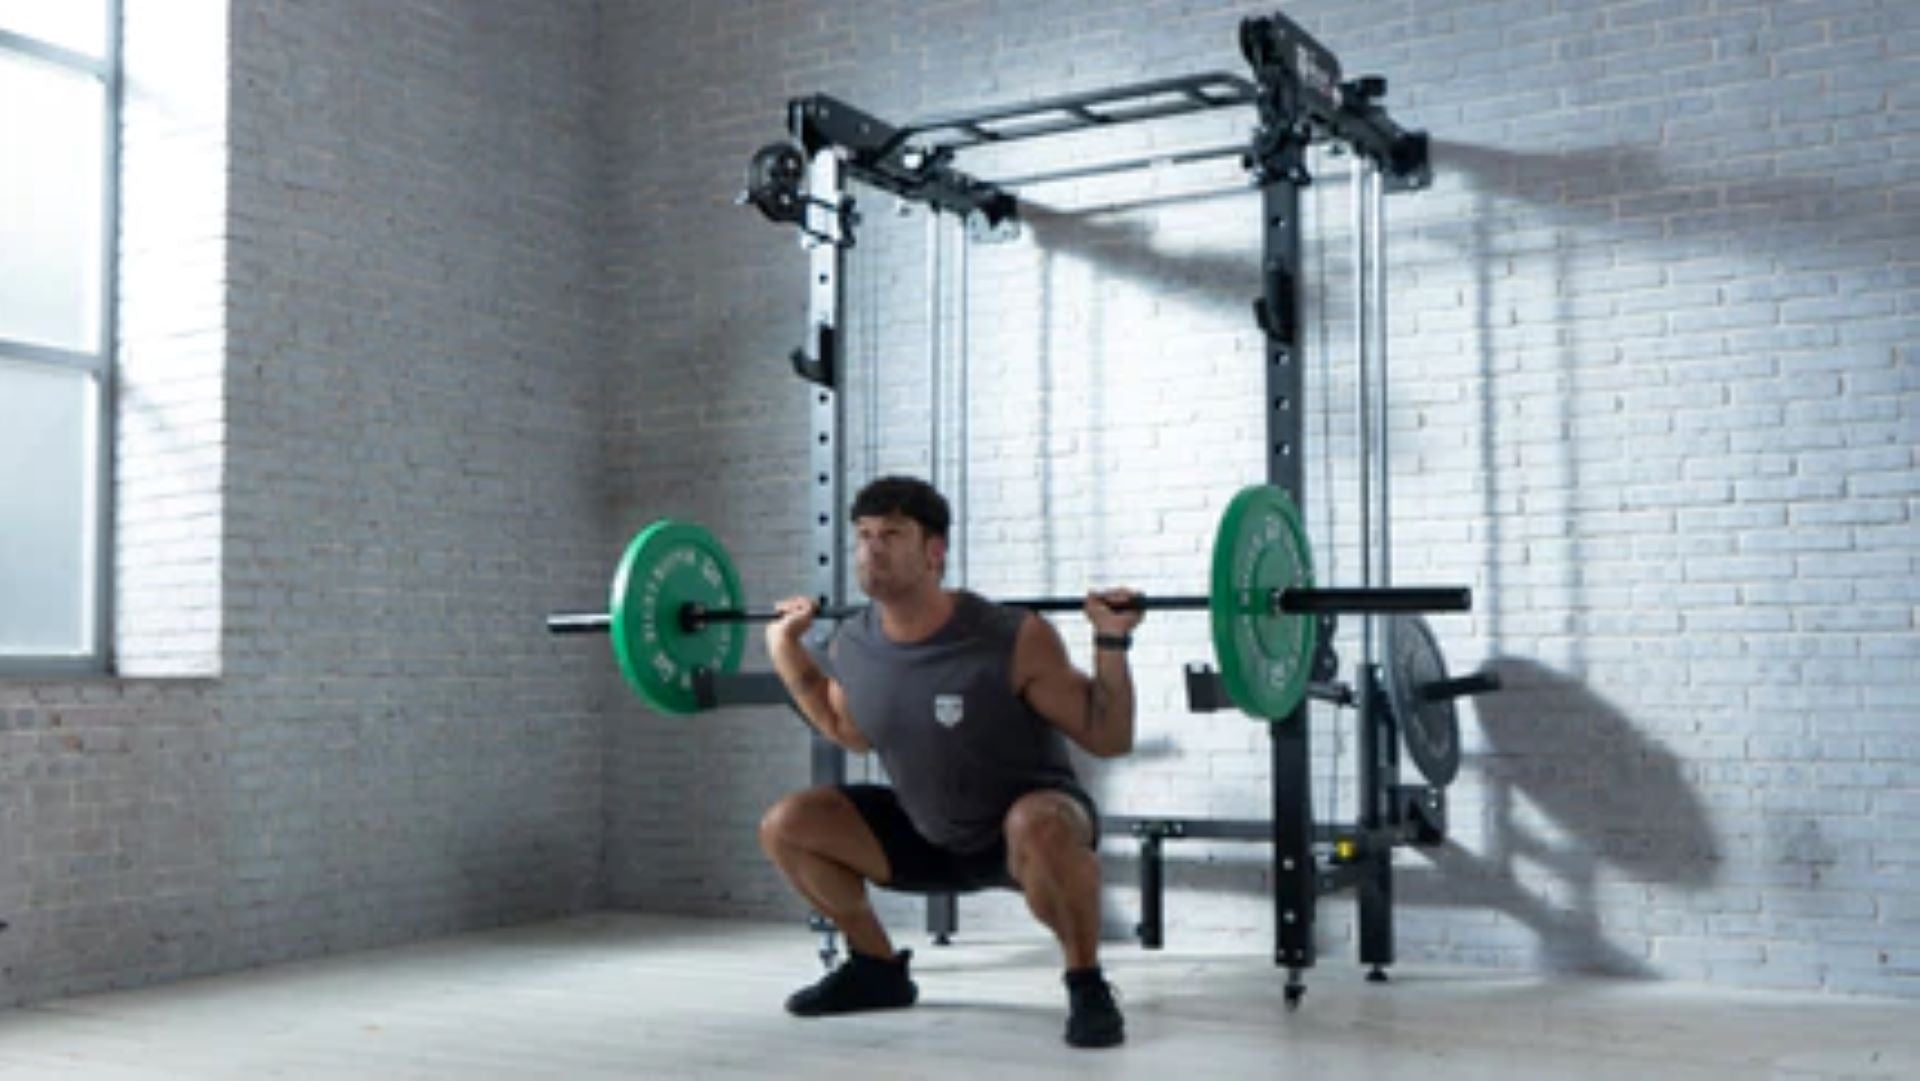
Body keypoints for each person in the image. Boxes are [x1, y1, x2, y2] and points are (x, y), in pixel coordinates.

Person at [760, 475, 1142, 1049]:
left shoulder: (1011, 635)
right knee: (788, 825)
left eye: (891, 534)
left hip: (1031, 831)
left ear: (934, 551)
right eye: (863, 536)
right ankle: (876, 969)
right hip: (926, 829)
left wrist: (1111, 643)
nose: (871, 550)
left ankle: (1086, 983)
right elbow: (848, 732)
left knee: (1035, 823)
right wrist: (786, 654)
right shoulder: (853, 644)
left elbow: (1107, 737)